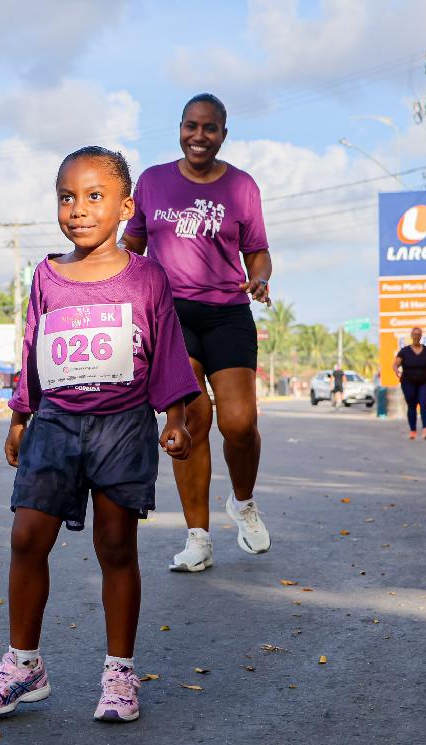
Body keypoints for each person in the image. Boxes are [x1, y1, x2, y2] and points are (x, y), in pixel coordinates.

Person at [0, 146, 200, 723]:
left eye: (94, 196)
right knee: (26, 537)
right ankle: (25, 664)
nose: (78, 209)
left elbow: (168, 348)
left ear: (125, 206)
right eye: (66, 197)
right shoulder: (45, 276)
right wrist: (21, 417)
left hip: (122, 428)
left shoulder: (148, 277)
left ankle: (119, 674)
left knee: (116, 548)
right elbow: (31, 353)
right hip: (55, 426)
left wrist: (175, 419)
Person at [121, 93, 273, 571]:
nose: (199, 136)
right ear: (180, 128)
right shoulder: (152, 182)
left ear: (223, 134)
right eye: (191, 126)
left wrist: (262, 278)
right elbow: (132, 243)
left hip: (228, 312)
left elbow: (259, 251)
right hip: (170, 315)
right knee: (190, 422)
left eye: (209, 128)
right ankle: (198, 538)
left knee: (240, 424)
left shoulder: (242, 187)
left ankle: (243, 502)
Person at [393, 326, 426, 439]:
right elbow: (395, 364)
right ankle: (413, 431)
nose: (416, 336)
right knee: (411, 405)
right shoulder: (405, 351)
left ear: (421, 336)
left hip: (424, 382)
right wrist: (396, 370)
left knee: (423, 403)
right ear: (411, 336)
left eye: (418, 334)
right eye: (414, 334)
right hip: (408, 382)